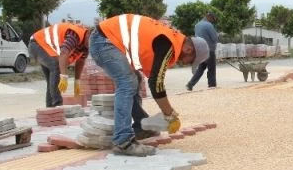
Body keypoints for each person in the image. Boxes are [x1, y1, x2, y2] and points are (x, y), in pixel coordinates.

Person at [89, 14, 209, 157]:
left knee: (135, 79)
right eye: (190, 61)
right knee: (127, 83)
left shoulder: (171, 40)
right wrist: (169, 114)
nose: (186, 63)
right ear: (189, 50)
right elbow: (156, 84)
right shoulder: (168, 43)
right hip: (104, 41)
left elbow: (154, 78)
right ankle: (123, 141)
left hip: (107, 40)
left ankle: (140, 127)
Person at [29, 23, 90, 107]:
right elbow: (64, 52)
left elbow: (80, 61)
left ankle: (51, 110)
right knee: (56, 67)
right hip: (37, 44)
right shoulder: (76, 35)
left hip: (43, 47)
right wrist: (64, 76)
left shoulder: (86, 47)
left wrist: (77, 81)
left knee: (52, 80)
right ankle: (57, 105)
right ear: (88, 35)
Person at [186, 11, 219, 91]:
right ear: (209, 17)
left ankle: (190, 84)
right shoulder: (209, 25)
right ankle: (212, 85)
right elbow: (214, 38)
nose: (213, 21)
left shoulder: (197, 25)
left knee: (201, 68)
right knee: (211, 68)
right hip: (209, 50)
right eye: (212, 19)